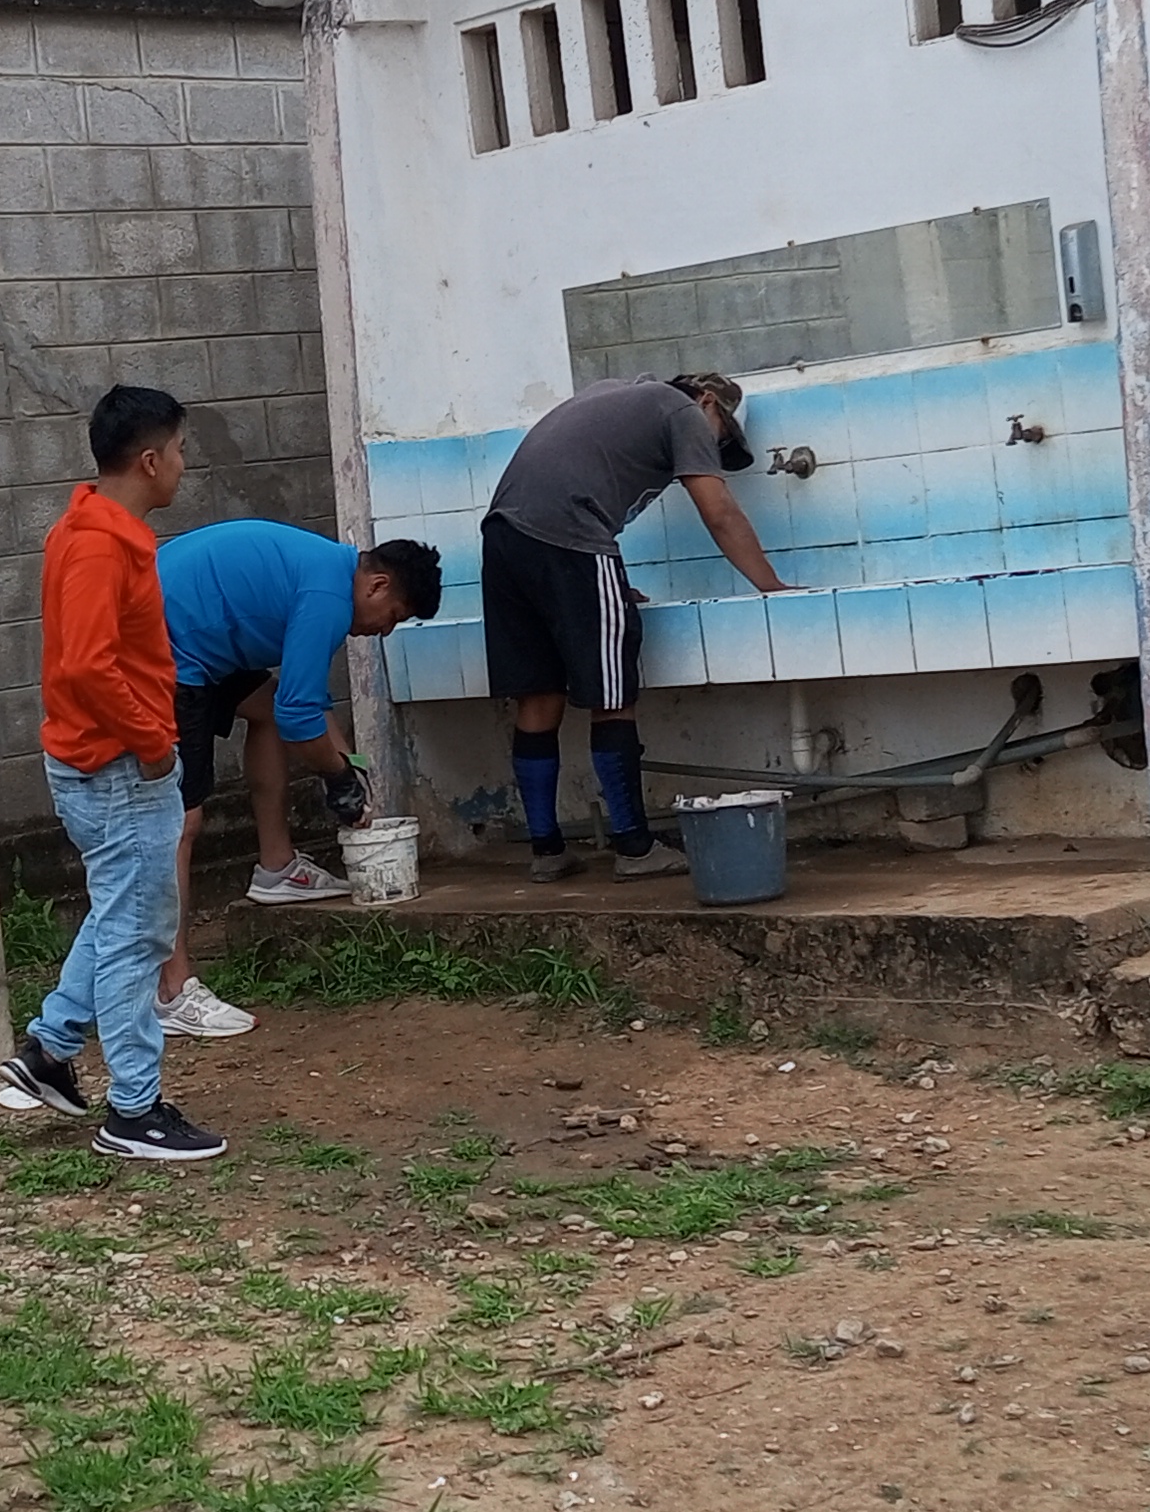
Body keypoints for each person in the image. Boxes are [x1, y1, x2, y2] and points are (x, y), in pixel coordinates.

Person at [0, 385, 225, 1162]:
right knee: (137, 934)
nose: (185, 465)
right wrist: (153, 743)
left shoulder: (91, 527)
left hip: (108, 763)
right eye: (182, 451)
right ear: (151, 460)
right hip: (119, 768)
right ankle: (134, 1111)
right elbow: (89, 667)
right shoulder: (100, 543)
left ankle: (50, 1050)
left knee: (121, 914)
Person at [482, 370, 788, 879]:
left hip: (504, 537)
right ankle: (635, 848)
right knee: (612, 695)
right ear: (708, 403)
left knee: (539, 697)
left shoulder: (617, 394)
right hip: (570, 536)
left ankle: (547, 851)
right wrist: (771, 586)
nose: (713, 448)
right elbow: (719, 513)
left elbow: (567, 478)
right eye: (722, 437)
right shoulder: (682, 410)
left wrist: (598, 587)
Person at [146, 520, 447, 1037]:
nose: (385, 631)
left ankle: (277, 868)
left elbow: (302, 703)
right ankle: (172, 989)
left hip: (196, 628)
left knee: (264, 709)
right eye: (394, 617)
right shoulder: (328, 599)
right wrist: (338, 779)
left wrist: (354, 770)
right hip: (164, 644)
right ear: (377, 586)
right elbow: (300, 718)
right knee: (181, 821)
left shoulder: (329, 573)